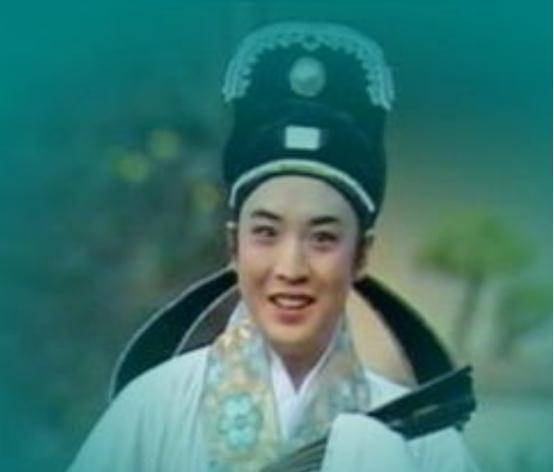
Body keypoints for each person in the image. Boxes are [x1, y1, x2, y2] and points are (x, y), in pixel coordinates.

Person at [69, 22, 478, 472]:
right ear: (234, 244)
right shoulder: (150, 411)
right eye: (266, 232)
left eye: (323, 237)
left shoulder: (424, 442)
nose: (291, 267)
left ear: (361, 255)